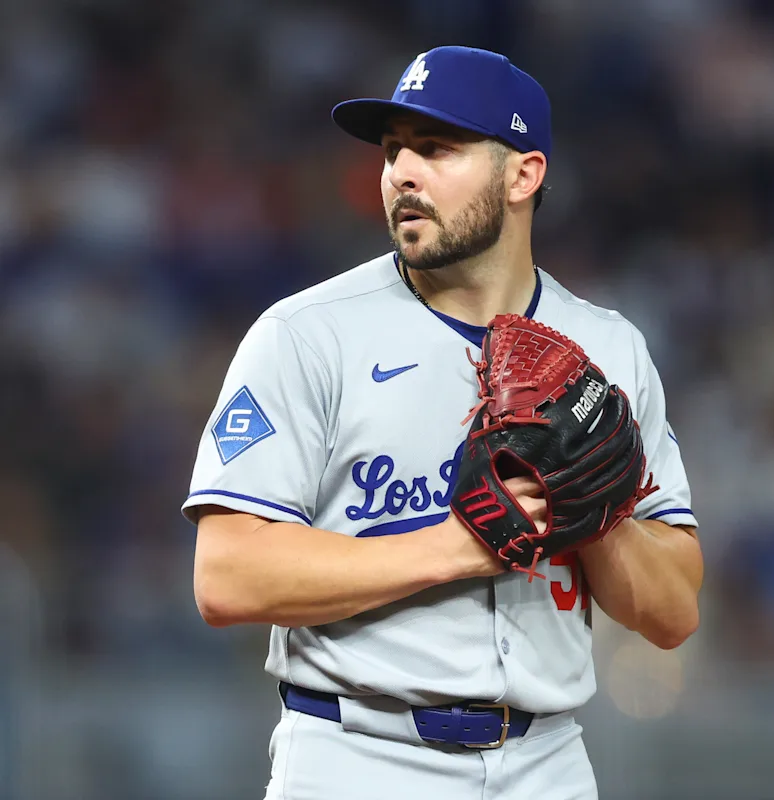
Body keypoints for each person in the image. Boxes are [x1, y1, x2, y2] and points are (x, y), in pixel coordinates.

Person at [182, 45, 702, 800]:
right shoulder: (307, 334)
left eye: (438, 148)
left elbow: (673, 613)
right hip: (357, 751)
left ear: (524, 174)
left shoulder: (609, 350)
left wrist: (591, 505)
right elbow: (225, 577)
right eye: (394, 151)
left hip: (547, 760)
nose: (401, 174)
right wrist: (457, 547)